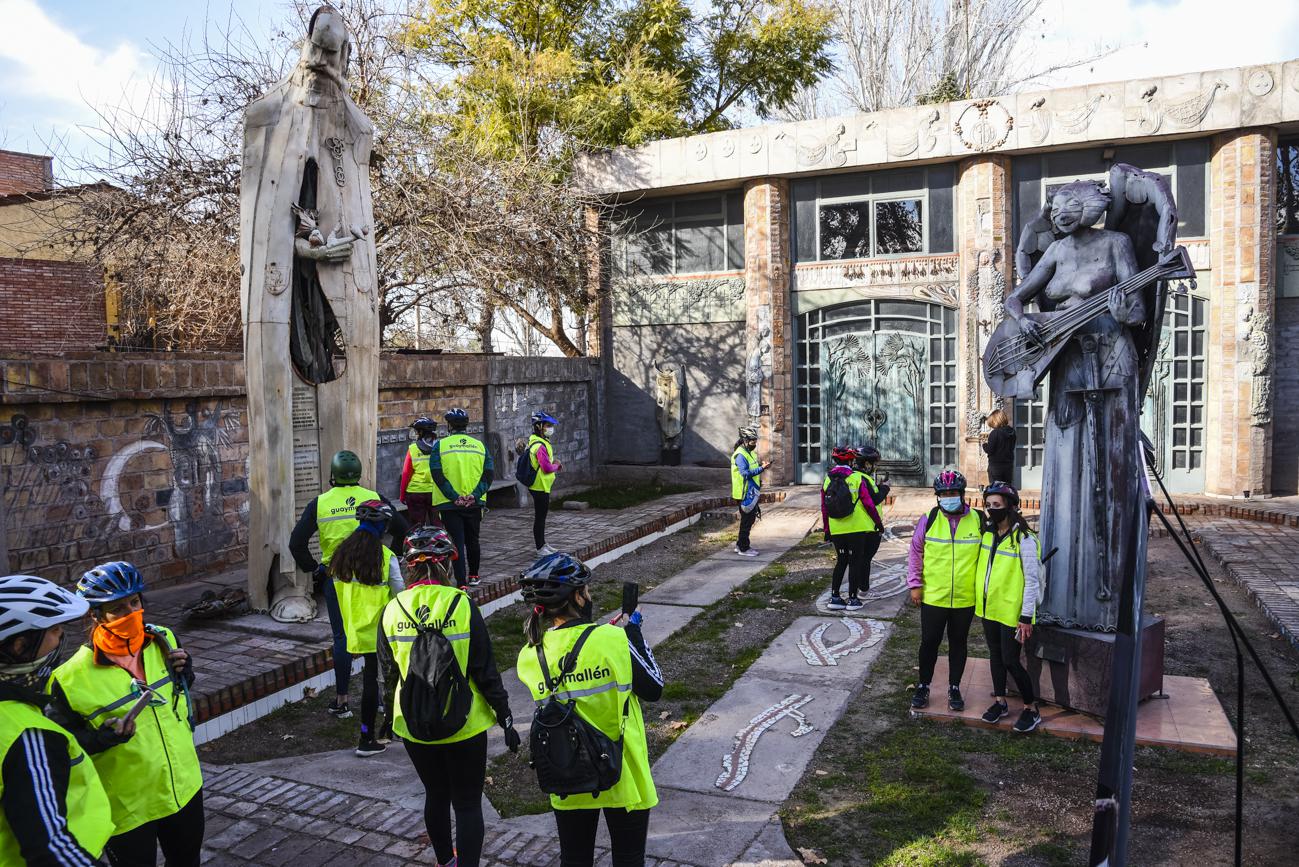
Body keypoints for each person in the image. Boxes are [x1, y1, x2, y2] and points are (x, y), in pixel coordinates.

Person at [378, 525, 517, 867]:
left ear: (410, 567)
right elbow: (486, 672)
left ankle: (445, 862)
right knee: (468, 802)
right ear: (447, 565)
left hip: (412, 721)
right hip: (464, 722)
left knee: (435, 795)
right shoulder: (463, 605)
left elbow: (389, 672)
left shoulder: (392, 608)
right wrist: (505, 717)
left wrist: (385, 718)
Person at [46, 562, 202, 866]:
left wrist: (186, 673)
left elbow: (177, 696)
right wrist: (100, 739)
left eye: (135, 602)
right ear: (95, 614)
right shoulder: (68, 679)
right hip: (128, 808)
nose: (131, 613)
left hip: (184, 789)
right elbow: (59, 751)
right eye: (118, 608)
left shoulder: (164, 640)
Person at [515, 553, 662, 867]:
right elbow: (654, 688)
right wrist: (634, 632)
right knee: (629, 858)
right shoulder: (613, 638)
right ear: (578, 596)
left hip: (567, 768)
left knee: (575, 858)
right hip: (623, 770)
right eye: (587, 590)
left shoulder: (529, 655)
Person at [0, 574, 113, 867]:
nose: (62, 637)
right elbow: (51, 850)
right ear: (19, 646)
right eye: (54, 629)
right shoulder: (29, 736)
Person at [290, 449, 409, 720]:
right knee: (378, 634)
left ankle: (342, 700)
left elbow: (296, 543)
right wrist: (396, 555)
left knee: (342, 637)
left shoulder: (320, 503)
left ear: (333, 476)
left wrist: (316, 570)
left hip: (338, 577)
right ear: (359, 474)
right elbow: (403, 529)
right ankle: (380, 698)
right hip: (373, 573)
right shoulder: (374, 498)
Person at [329, 501, 405, 756]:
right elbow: (401, 595)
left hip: (353, 628)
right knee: (388, 681)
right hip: (381, 631)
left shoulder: (341, 555)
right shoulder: (386, 557)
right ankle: (371, 736)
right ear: (382, 526)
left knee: (369, 683)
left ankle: (367, 733)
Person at [906, 470, 983, 713]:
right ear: (937, 497)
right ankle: (923, 685)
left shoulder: (979, 520)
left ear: (962, 494)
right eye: (944, 494)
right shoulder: (928, 519)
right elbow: (916, 552)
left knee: (958, 643)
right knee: (929, 642)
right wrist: (915, 584)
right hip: (934, 596)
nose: (949, 497)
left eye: (953, 493)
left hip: (965, 597)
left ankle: (954, 687)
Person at [977, 481, 1043, 734]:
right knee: (995, 657)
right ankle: (1000, 702)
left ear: (1011, 507)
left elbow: (1032, 581)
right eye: (989, 505)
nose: (992, 509)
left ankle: (1030, 707)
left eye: (997, 505)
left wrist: (1026, 616)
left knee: (1011, 660)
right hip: (989, 609)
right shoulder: (988, 534)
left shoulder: (1024, 540)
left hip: (1013, 613)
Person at [429, 407, 493, 587]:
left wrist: (454, 497)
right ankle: (474, 575)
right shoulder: (480, 446)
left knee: (456, 542)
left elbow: (437, 474)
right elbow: (488, 475)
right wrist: (474, 495)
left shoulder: (439, 446)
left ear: (449, 426)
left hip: (449, 505)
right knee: (473, 540)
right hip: (474, 503)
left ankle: (462, 583)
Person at [820, 446, 885, 611]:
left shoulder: (827, 479)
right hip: (856, 528)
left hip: (836, 528)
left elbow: (824, 507)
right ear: (851, 461)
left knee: (841, 561)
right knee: (855, 562)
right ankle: (853, 599)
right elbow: (869, 504)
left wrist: (827, 530)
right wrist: (878, 523)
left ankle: (834, 597)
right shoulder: (857, 478)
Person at [526, 411, 562, 556]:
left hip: (541, 485)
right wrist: (557, 465)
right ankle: (540, 548)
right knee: (540, 517)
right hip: (539, 486)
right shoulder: (539, 446)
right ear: (539, 427)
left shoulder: (538, 441)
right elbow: (547, 468)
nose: (550, 428)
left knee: (542, 517)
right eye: (548, 425)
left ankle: (543, 544)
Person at [731, 426, 770, 557]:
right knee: (747, 521)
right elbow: (745, 474)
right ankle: (744, 548)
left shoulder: (750, 453)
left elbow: (753, 469)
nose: (755, 443)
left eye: (755, 441)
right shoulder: (740, 455)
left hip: (751, 491)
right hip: (743, 493)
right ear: (745, 440)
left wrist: (762, 466)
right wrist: (761, 469)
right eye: (752, 441)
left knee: (749, 519)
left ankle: (739, 545)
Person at [400, 416, 441, 528]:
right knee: (437, 525)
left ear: (421, 432)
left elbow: (406, 474)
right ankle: (438, 544)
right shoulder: (441, 447)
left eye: (417, 431)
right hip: (436, 492)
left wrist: (402, 494)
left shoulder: (413, 448)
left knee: (416, 527)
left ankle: (418, 545)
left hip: (415, 492)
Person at [982, 409, 1016, 487]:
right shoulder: (1012, 432)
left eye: (992, 424)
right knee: (1007, 489)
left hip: (996, 467)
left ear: (995, 421)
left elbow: (990, 450)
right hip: (1008, 465)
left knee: (996, 489)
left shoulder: (995, 433)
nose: (992, 427)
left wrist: (984, 445)